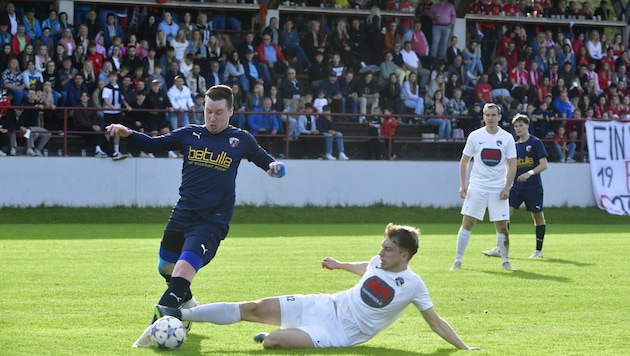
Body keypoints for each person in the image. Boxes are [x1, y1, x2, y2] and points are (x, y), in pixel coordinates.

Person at [105, 85, 286, 348]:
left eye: (219, 113)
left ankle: (154, 330)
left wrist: (274, 167)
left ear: (231, 112)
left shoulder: (241, 140)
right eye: (208, 112)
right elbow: (156, 145)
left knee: (182, 272)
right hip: (182, 214)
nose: (212, 118)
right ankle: (188, 306)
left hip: (211, 222)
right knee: (165, 268)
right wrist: (129, 133)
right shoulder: (191, 133)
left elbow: (266, 161)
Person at [153, 223, 479, 351]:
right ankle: (178, 313)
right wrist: (338, 265)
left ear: (404, 255)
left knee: (272, 343)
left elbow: (435, 321)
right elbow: (365, 268)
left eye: (388, 249)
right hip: (321, 305)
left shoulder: (413, 285)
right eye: (381, 246)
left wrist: (464, 348)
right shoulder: (378, 262)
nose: (381, 252)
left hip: (337, 334)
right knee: (252, 307)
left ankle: (275, 334)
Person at [451, 103, 517, 271]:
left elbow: (512, 165)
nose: (490, 118)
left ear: (499, 117)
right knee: (467, 222)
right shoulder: (475, 136)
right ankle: (457, 261)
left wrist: (507, 187)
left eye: (493, 115)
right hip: (477, 186)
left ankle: (505, 261)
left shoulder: (507, 137)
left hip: (498, 188)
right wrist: (462, 184)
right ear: (483, 117)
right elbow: (465, 161)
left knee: (502, 225)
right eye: (487, 115)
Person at [482, 114, 549, 260]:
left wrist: (529, 173)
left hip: (533, 187)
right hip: (516, 188)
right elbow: (508, 166)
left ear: (527, 126)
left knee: (538, 217)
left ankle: (538, 251)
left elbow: (544, 164)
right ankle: (501, 248)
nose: (518, 128)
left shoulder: (536, 143)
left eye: (521, 125)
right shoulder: (514, 145)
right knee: (504, 215)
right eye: (516, 126)